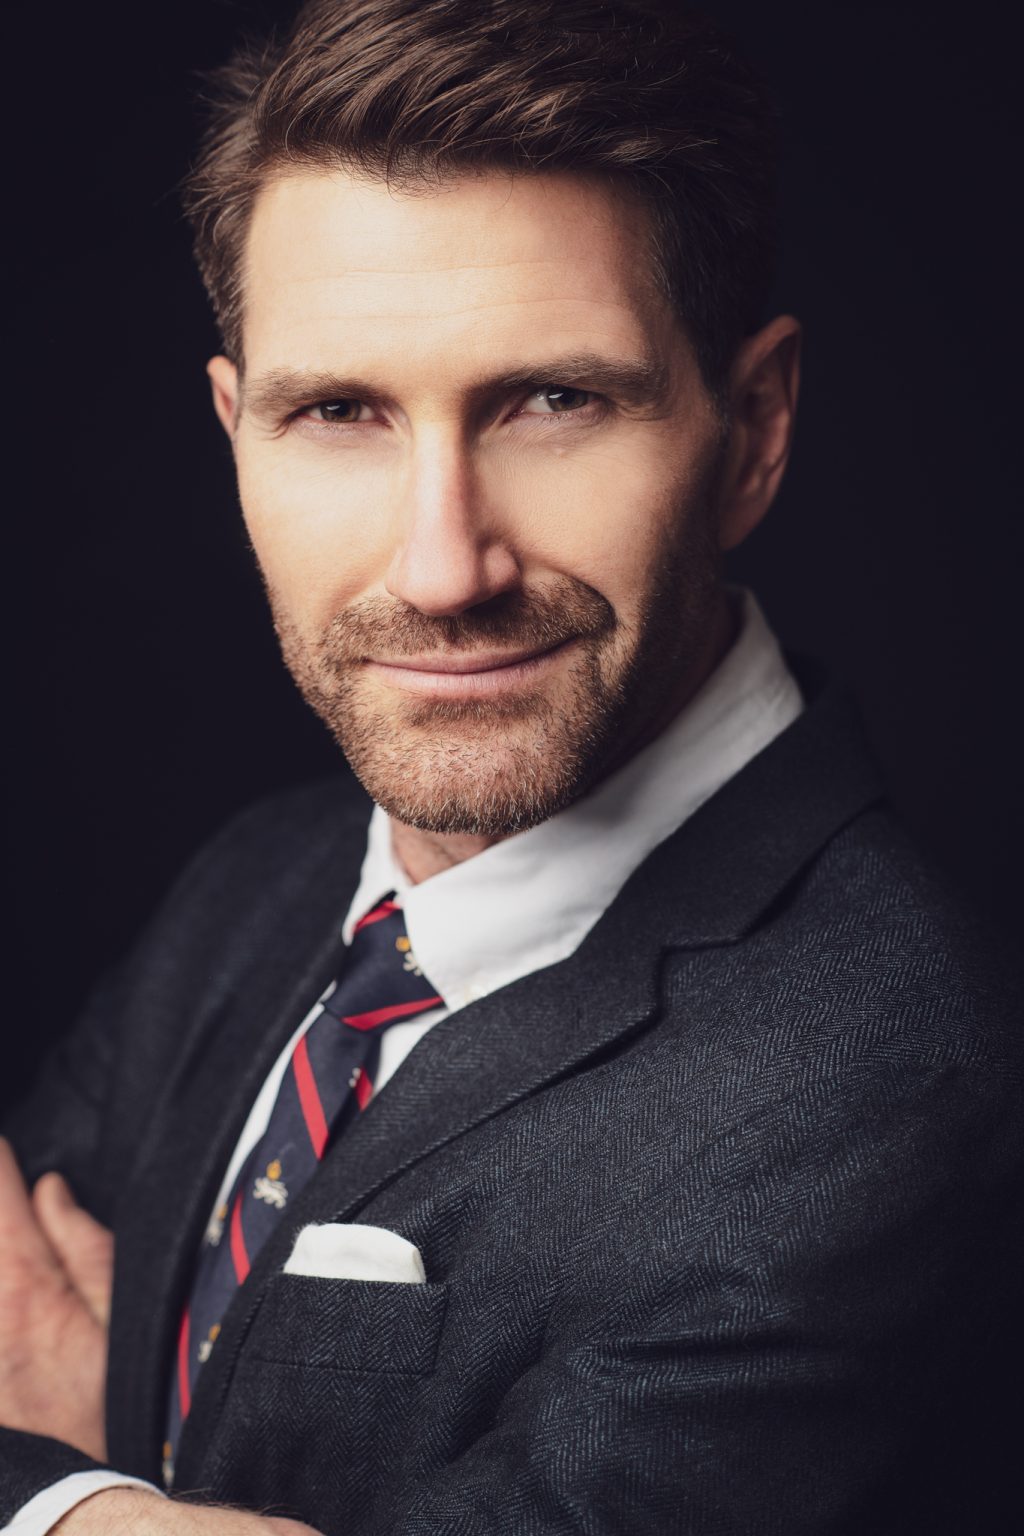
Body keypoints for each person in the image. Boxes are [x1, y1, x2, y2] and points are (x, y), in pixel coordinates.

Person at [1, 1, 1020, 1531]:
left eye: (555, 401)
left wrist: (78, 1502)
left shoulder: (894, 1084)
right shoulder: (263, 876)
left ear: (752, 430)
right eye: (337, 412)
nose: (443, 567)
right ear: (235, 432)